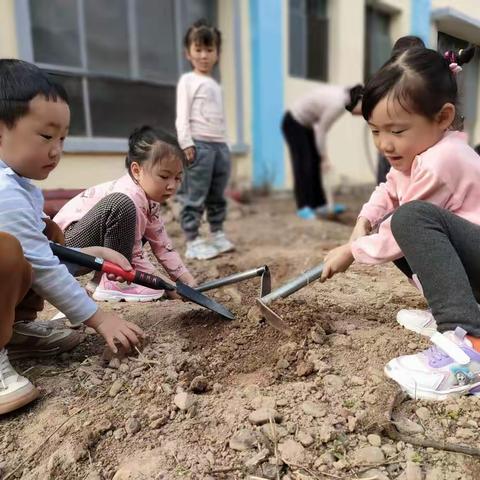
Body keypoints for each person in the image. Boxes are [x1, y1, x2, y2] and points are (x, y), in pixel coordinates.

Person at [319, 45, 480, 400]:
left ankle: (468, 343)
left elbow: (399, 227)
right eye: (376, 131)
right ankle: (454, 311)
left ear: (442, 117)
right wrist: (364, 220)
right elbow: (391, 186)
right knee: (401, 222)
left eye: (395, 130)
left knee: (409, 221)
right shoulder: (420, 149)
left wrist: (351, 250)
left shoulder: (443, 160)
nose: (384, 144)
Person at [0, 59, 144, 414]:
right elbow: (42, 266)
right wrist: (99, 318)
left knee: (47, 233)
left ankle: (13, 332)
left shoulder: (20, 186)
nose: (57, 150)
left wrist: (91, 253)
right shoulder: (3, 191)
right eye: (46, 136)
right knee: (5, 252)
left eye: (62, 138)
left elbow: (43, 251)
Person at [54, 126, 196, 302]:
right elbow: (134, 254)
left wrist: (186, 280)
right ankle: (114, 283)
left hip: (90, 251)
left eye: (177, 178)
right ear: (137, 170)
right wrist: (168, 285)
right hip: (66, 249)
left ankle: (101, 281)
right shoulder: (129, 196)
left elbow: (161, 244)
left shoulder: (149, 199)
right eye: (164, 176)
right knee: (122, 206)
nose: (172, 185)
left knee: (139, 226)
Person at [176, 19, 234, 261]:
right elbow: (182, 115)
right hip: (198, 146)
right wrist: (186, 142)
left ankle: (217, 233)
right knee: (194, 194)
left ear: (217, 53)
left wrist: (226, 147)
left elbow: (218, 119)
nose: (204, 55)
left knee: (217, 194)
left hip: (219, 147)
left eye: (209, 50)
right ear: (188, 52)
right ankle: (193, 240)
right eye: (198, 49)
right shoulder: (188, 81)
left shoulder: (214, 84)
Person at [281, 83, 363, 220]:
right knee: (303, 165)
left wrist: (321, 157)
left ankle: (319, 204)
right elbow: (321, 130)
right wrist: (325, 157)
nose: (363, 114)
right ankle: (303, 207)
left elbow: (319, 127)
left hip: (306, 124)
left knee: (314, 162)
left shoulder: (344, 96)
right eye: (364, 109)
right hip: (293, 122)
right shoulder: (338, 103)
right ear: (359, 100)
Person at [376, 36, 426, 185]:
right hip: (392, 148)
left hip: (418, 150)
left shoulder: (428, 84)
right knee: (387, 184)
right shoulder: (384, 83)